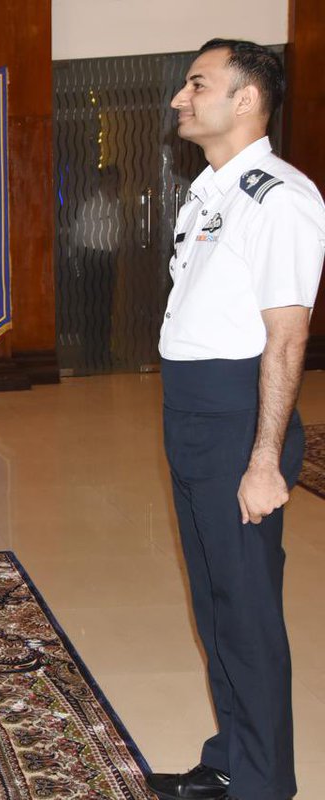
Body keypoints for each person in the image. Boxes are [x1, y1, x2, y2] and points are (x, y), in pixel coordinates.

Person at [146, 40, 324, 800]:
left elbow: (286, 337)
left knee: (246, 610)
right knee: (216, 603)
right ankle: (231, 758)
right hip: (191, 408)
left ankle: (264, 785)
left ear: (246, 99)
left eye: (197, 85)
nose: (180, 99)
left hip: (236, 415)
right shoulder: (209, 193)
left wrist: (264, 458)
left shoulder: (279, 198)